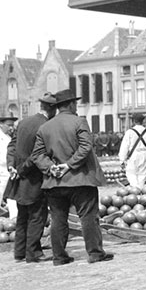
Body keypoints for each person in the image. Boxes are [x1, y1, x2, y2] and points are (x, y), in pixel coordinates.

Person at [31, 89, 113, 265]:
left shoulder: (45, 127)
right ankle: (95, 253)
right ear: (70, 104)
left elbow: (37, 155)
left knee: (58, 219)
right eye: (75, 103)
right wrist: (69, 165)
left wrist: (51, 168)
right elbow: (85, 147)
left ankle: (59, 257)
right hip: (80, 178)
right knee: (88, 217)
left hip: (55, 182)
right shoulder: (79, 122)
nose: (76, 106)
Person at [6, 93, 55, 263]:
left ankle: (19, 252)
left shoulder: (23, 122)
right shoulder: (47, 126)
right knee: (37, 215)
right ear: (52, 109)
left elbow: (11, 146)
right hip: (34, 178)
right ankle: (33, 252)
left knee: (22, 216)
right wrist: (20, 170)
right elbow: (37, 156)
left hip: (19, 180)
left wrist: (11, 166)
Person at [118, 112, 146, 188]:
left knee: (131, 174)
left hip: (133, 155)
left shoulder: (129, 132)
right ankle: (140, 190)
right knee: (142, 175)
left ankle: (135, 191)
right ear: (143, 121)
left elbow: (124, 147)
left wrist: (122, 160)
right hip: (144, 155)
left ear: (133, 121)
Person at [0, 112, 19, 219]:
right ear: (1, 124)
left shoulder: (10, 138)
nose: (11, 128)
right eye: (9, 125)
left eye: (13, 125)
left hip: (9, 175)